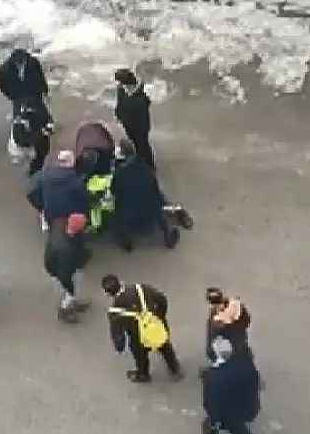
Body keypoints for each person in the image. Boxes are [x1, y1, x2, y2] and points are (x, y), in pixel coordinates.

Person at [28, 150, 92, 321]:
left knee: (71, 274)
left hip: (54, 218)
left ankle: (71, 300)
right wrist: (69, 286)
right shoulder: (76, 183)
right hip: (59, 266)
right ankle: (66, 308)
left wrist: (41, 207)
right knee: (68, 286)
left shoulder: (45, 175)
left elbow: (31, 190)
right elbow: (85, 202)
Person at [102, 273, 183, 383]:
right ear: (121, 282)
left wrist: (119, 347)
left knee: (139, 355)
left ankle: (143, 374)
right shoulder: (140, 288)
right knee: (164, 346)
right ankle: (175, 368)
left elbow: (117, 334)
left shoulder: (114, 312)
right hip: (154, 327)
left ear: (107, 294)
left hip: (139, 338)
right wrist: (160, 317)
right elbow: (161, 299)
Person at [110, 138, 179, 251]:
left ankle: (125, 240)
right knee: (158, 203)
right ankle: (167, 233)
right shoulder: (145, 168)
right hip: (151, 205)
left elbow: (114, 190)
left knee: (115, 212)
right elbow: (154, 186)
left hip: (130, 208)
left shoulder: (120, 173)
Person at [202, 337, 262, 434]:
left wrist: (213, 416)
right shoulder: (247, 364)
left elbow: (209, 403)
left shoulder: (212, 377)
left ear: (217, 354)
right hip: (250, 408)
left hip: (228, 414)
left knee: (227, 421)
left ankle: (214, 428)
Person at [113, 69, 156, 170]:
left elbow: (142, 114)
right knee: (135, 144)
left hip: (140, 127)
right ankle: (140, 161)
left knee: (143, 146)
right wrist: (119, 116)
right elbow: (120, 105)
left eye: (120, 82)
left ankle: (149, 166)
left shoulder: (141, 99)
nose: (118, 84)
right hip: (128, 124)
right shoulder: (121, 90)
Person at [10, 95, 55, 176]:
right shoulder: (20, 119)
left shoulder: (37, 105)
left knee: (40, 159)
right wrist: (40, 135)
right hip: (29, 145)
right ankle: (33, 172)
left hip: (41, 144)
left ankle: (36, 171)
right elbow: (18, 138)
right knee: (33, 160)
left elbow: (48, 119)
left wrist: (48, 128)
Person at [0, 48, 49, 115]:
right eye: (19, 63)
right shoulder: (4, 69)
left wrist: (45, 90)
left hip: (35, 95)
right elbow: (0, 83)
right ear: (14, 62)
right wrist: (10, 95)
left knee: (41, 115)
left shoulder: (33, 62)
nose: (21, 65)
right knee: (19, 119)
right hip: (18, 97)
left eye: (23, 62)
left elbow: (40, 76)